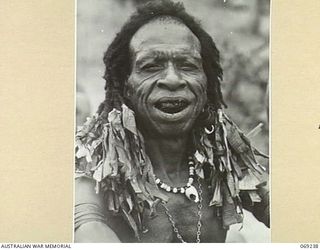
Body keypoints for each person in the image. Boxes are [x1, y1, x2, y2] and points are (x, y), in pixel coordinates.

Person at [74, 0, 269, 243]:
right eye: (151, 66)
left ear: (207, 84)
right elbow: (86, 228)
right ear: (125, 85)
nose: (173, 79)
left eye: (187, 66)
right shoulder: (98, 167)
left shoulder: (222, 158)